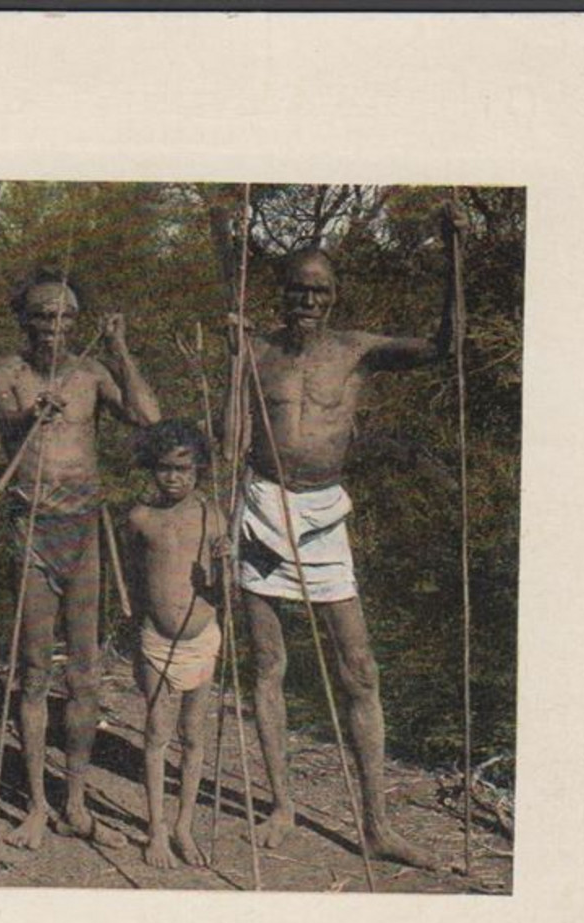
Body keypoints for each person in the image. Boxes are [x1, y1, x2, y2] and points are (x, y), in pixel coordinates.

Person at [230, 206, 466, 868]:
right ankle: (280, 804)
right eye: (296, 290)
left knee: (358, 670)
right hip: (258, 502)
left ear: (333, 299)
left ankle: (376, 824)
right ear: (281, 293)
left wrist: (452, 257)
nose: (307, 300)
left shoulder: (357, 349)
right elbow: (226, 427)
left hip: (323, 512)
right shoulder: (252, 348)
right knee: (266, 664)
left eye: (319, 291)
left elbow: (443, 346)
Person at [0, 268, 160, 850]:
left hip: (84, 530)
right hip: (32, 530)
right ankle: (34, 804)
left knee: (84, 672)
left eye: (66, 318)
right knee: (34, 672)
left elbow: (150, 420)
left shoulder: (92, 375)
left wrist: (120, 349)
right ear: (24, 320)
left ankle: (76, 803)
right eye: (43, 316)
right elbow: (8, 426)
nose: (55, 328)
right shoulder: (5, 374)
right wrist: (32, 413)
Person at [123, 420, 228, 869]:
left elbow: (227, 591)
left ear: (199, 469)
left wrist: (225, 568)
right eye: (164, 468)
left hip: (202, 636)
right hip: (155, 642)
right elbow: (133, 580)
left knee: (193, 735)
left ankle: (185, 824)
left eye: (184, 469)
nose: (174, 477)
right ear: (151, 468)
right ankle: (157, 830)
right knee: (156, 734)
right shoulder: (140, 518)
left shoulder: (214, 516)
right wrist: (130, 627)